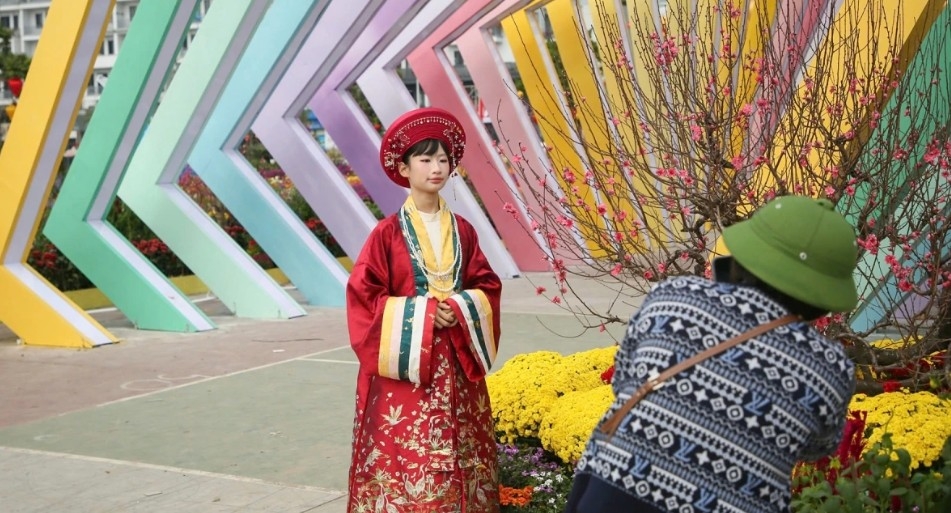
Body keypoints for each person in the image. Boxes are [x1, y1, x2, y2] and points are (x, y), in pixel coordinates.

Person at [565, 196, 859, 513]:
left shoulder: (672, 298)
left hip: (612, 493)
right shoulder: (831, 369)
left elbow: (624, 381)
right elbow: (817, 448)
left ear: (743, 259)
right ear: (824, 297)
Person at [346, 107, 502, 512]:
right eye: (425, 158)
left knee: (463, 454)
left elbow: (486, 284)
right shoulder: (386, 234)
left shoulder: (464, 230)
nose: (436, 167)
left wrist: (461, 305)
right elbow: (364, 297)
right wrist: (428, 314)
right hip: (407, 372)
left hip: (457, 364)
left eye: (443, 159)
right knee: (408, 461)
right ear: (405, 167)